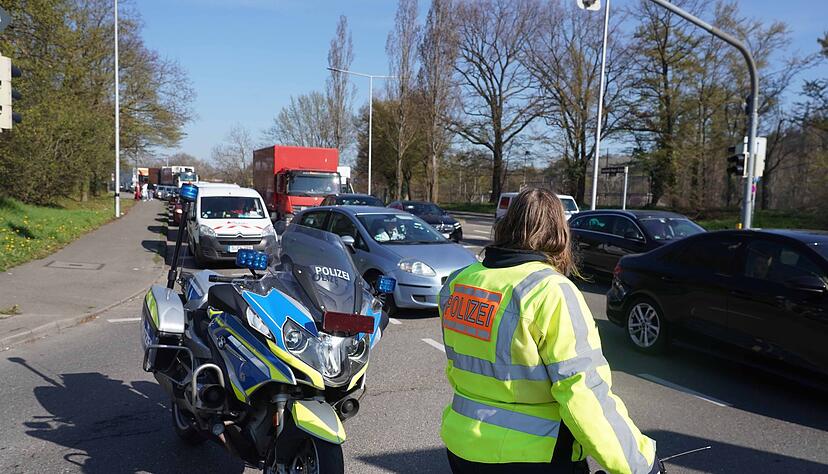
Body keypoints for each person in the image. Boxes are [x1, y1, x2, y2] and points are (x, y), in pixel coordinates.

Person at [438, 188, 663, 474]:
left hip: (462, 444)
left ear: (506, 225)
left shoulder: (460, 282)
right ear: (559, 233)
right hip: (532, 456)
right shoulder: (549, 291)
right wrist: (639, 464)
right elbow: (584, 393)